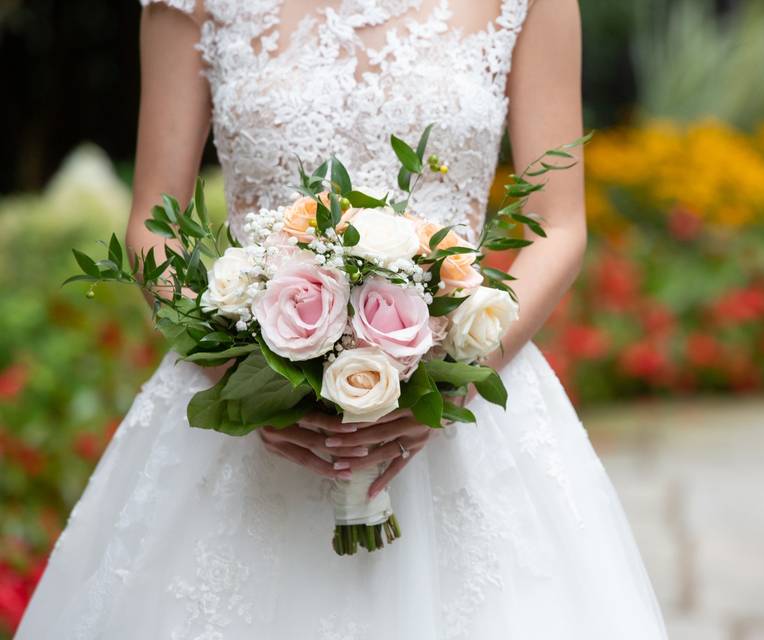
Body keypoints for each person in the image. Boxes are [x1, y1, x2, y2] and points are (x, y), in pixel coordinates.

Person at [16, 1, 668, 638]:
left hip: (462, 403)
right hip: (245, 406)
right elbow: (153, 226)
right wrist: (240, 380)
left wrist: (456, 376)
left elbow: (560, 225)